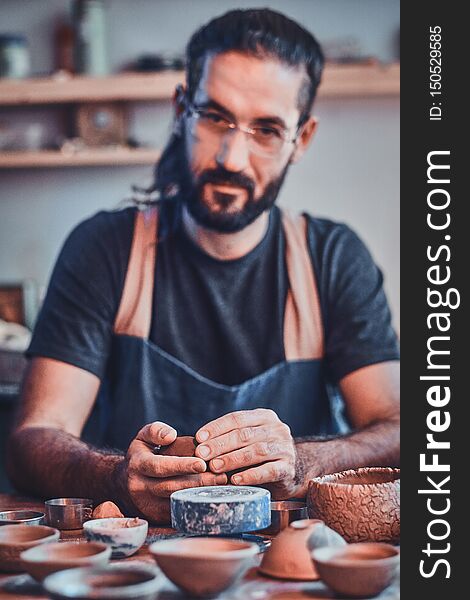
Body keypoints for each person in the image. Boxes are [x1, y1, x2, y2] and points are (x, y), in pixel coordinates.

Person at [6, 8, 399, 523]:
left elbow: (400, 427)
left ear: (300, 139)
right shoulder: (104, 249)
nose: (233, 158)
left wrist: (303, 463)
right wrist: (112, 477)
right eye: (215, 117)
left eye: (266, 129)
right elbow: (32, 435)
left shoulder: (332, 260)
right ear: (180, 110)